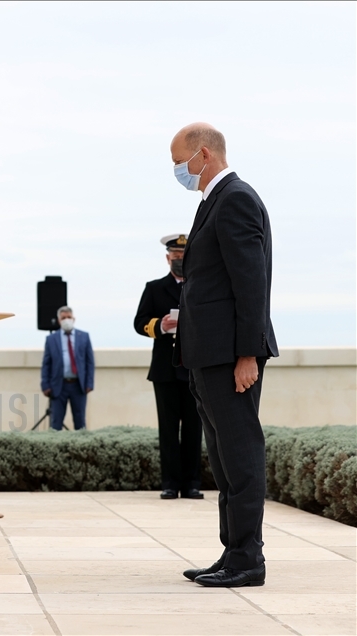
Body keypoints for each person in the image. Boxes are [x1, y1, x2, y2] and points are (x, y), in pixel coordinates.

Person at [170, 123, 278, 588]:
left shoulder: (235, 198)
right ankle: (231, 552)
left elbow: (250, 283)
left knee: (240, 454)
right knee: (223, 457)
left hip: (230, 357)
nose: (178, 171)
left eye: (180, 161)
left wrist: (247, 355)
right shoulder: (211, 202)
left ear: (204, 154)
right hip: (205, 354)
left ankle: (248, 560)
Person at [134, 234, 203, 501]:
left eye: (183, 257)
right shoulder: (154, 288)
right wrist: (161, 325)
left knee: (194, 429)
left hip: (193, 369)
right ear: (167, 258)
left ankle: (192, 484)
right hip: (164, 370)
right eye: (175, 257)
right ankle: (170, 484)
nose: (179, 261)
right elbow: (139, 322)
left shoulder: (201, 286)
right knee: (168, 429)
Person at [40, 306, 95, 430]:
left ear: (73, 318)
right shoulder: (51, 339)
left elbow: (89, 362)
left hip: (78, 386)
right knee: (56, 422)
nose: (66, 320)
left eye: (69, 317)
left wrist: (89, 383)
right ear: (59, 320)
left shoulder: (84, 337)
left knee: (80, 421)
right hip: (58, 386)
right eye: (63, 318)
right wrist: (45, 384)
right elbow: (46, 363)